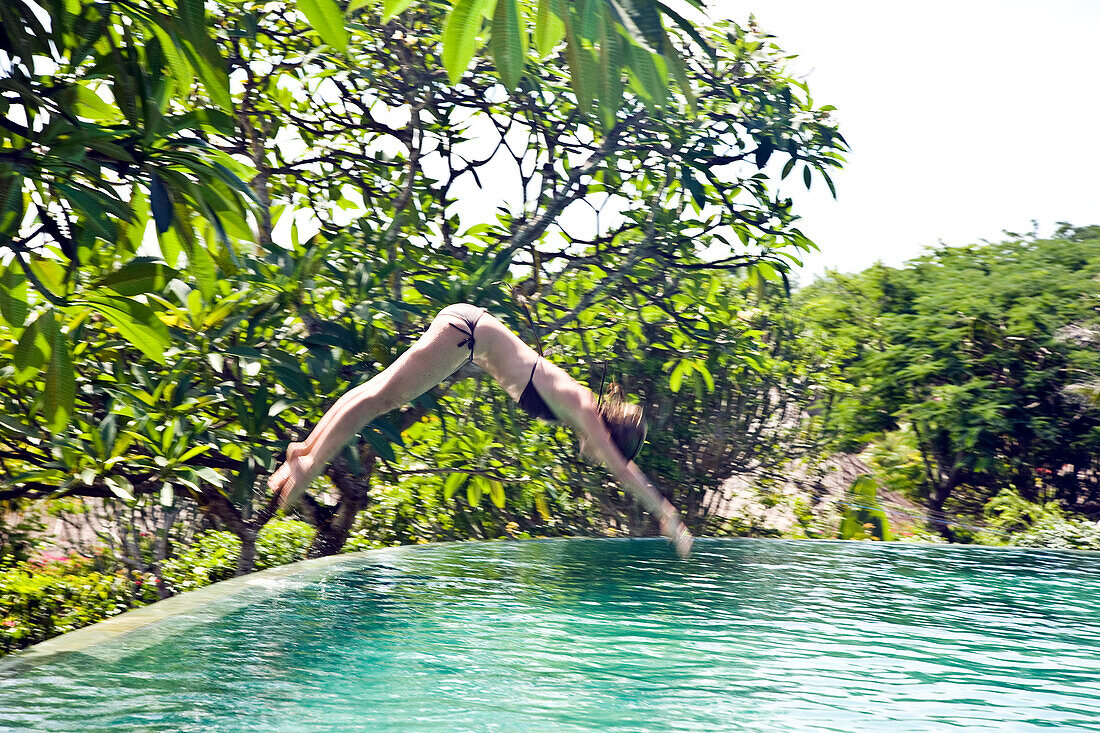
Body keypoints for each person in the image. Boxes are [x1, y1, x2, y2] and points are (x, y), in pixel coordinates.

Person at [268, 303, 694, 558]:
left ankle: (303, 450)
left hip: (468, 331)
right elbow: (623, 471)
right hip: (467, 334)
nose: (598, 456)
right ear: (610, 438)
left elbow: (616, 463)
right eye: (607, 451)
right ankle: (308, 466)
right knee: (380, 400)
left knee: (377, 393)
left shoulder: (577, 405)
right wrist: (667, 515)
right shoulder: (584, 408)